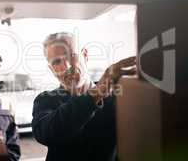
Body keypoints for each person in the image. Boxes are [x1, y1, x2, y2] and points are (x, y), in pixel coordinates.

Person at [32, 32, 136, 161]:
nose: (67, 67)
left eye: (71, 56)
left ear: (85, 55)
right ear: (51, 69)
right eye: (56, 61)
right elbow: (46, 134)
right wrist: (96, 93)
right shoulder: (46, 100)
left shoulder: (115, 97)